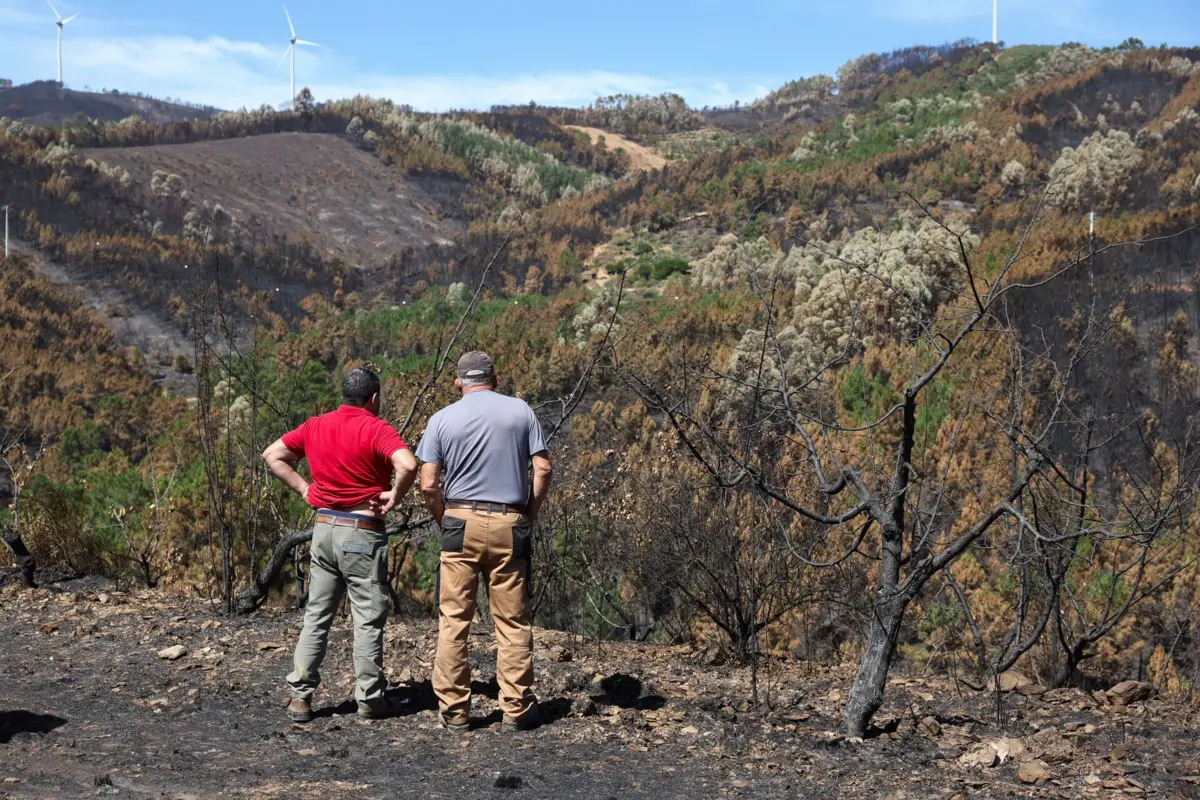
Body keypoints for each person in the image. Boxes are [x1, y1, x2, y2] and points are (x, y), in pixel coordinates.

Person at [262, 367, 417, 723]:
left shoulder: (315, 425)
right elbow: (407, 464)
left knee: (317, 615)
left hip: (324, 528)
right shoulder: (376, 428)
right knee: (366, 619)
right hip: (361, 530)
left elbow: (273, 455)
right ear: (374, 399)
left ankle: (300, 697)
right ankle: (370, 700)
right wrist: (395, 494)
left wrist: (304, 489)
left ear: (344, 395)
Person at [417, 351, 553, 733]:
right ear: (495, 378)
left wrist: (446, 520)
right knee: (511, 621)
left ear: (458, 382)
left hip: (459, 518)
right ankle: (516, 707)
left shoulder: (441, 419)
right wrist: (529, 511)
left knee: (454, 620)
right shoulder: (520, 412)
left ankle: (455, 711)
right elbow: (542, 466)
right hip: (510, 520)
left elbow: (428, 482)